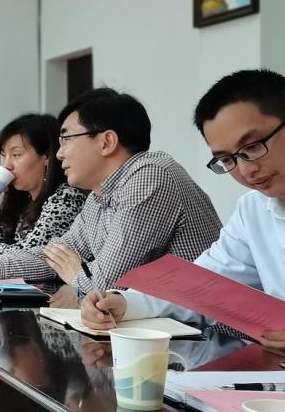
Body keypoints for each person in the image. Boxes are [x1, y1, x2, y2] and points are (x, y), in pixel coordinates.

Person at [0, 88, 221, 293]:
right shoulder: (100, 195)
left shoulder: (150, 176)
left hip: (209, 340)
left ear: (106, 142)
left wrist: (76, 273)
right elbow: (49, 256)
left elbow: (104, 284)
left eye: (67, 140)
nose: (59, 154)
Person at [81, 70, 285, 352]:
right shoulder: (253, 210)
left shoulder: (151, 176)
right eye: (227, 160)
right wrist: (124, 303)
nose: (246, 170)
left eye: (251, 147)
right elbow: (204, 286)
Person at [0, 114, 87, 260]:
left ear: (47, 156)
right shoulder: (23, 199)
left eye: (16, 154)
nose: (7, 165)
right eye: (4, 155)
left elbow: (31, 252)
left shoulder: (68, 197)